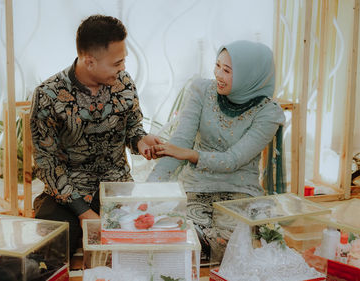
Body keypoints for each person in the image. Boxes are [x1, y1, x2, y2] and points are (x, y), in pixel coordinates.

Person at [30, 14, 161, 256]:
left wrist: (141, 141)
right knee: (53, 248)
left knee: (140, 244)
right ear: (89, 62)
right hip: (67, 193)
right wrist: (84, 213)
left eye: (123, 61)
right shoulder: (48, 95)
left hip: (116, 187)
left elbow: (133, 126)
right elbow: (47, 164)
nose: (123, 68)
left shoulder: (124, 83)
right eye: (116, 63)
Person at [147, 40, 285, 262]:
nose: (218, 74)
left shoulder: (268, 113)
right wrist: (148, 191)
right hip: (196, 186)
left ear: (250, 75)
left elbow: (233, 160)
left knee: (229, 245)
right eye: (217, 66)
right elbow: (180, 142)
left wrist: (191, 155)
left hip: (240, 191)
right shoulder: (202, 90)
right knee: (181, 237)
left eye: (227, 70)